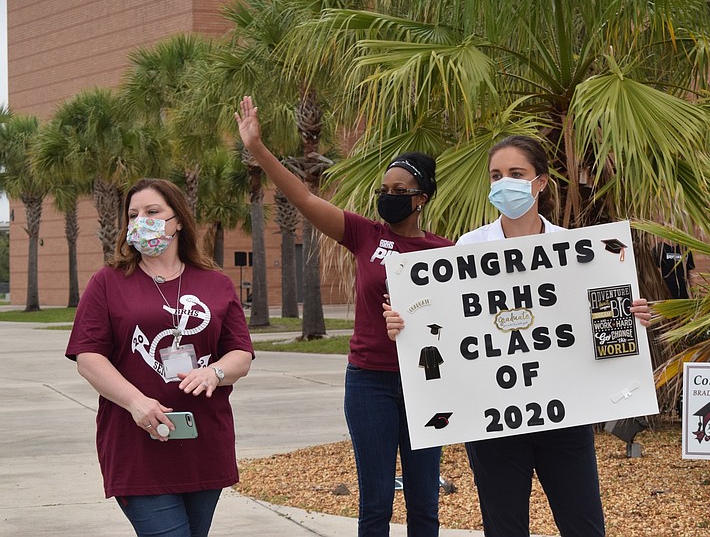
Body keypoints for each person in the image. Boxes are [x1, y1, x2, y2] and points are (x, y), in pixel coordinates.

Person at [384, 135, 652, 536]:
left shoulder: (576, 249)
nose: (504, 182)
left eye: (516, 173)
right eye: (496, 175)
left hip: (564, 417)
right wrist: (405, 326)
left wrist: (629, 316)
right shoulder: (468, 248)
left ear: (540, 182)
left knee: (584, 525)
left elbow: (599, 325)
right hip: (494, 423)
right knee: (505, 527)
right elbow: (446, 323)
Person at [236, 96, 453, 537]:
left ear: (422, 199)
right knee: (375, 502)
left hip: (426, 383)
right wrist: (258, 150)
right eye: (383, 191)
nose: (387, 198)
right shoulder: (364, 233)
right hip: (369, 380)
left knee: (424, 504)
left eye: (399, 192)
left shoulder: (445, 252)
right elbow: (302, 197)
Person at [65, 178, 254, 537]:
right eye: (133, 214)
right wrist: (137, 403)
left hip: (203, 443)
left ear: (178, 220)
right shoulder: (108, 282)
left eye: (153, 212)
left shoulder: (216, 283)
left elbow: (241, 354)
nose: (141, 221)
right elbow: (88, 356)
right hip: (136, 444)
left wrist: (214, 373)